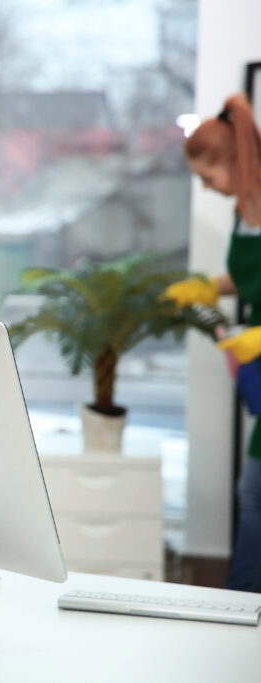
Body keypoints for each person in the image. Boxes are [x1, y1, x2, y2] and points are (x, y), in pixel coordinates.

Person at [164, 92, 261, 592]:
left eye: (208, 176)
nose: (206, 187)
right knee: (254, 495)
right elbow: (251, 278)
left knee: (255, 495)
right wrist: (207, 286)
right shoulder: (246, 213)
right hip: (257, 373)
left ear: (237, 161)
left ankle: (243, 609)